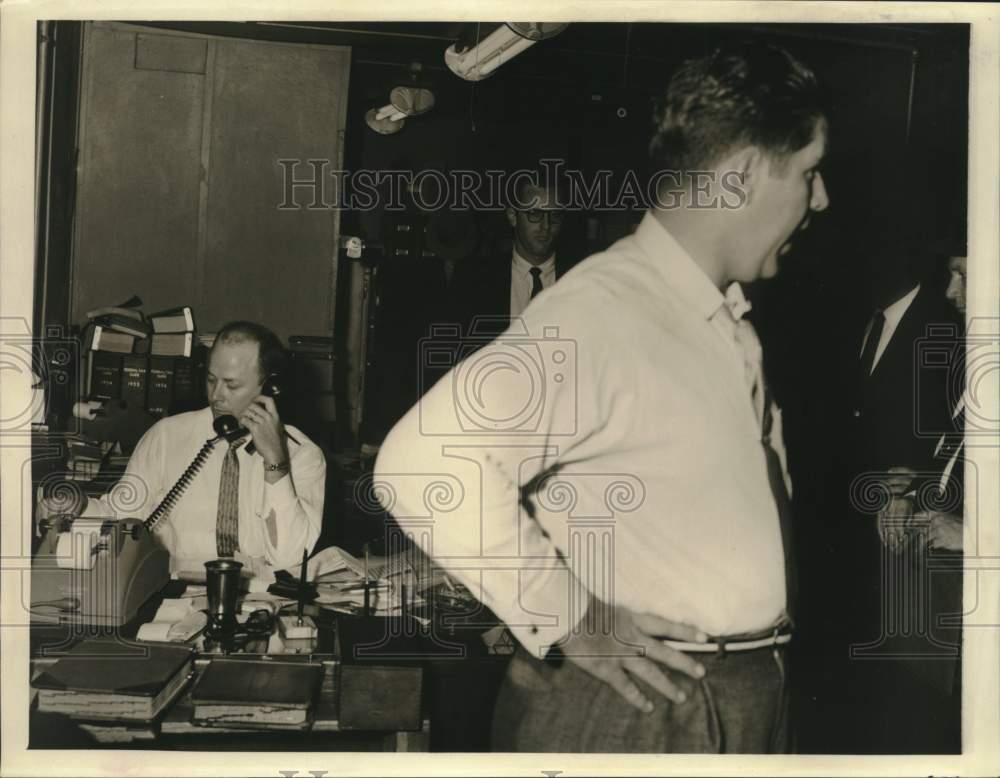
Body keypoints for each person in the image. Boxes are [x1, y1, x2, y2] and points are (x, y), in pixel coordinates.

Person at [375, 42, 829, 752]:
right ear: (740, 177)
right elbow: (425, 463)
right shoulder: (606, 311)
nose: (820, 197)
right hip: (648, 704)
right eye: (807, 171)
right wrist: (569, 617)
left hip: (728, 687)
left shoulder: (714, 315)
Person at [37, 321, 326, 573]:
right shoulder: (166, 436)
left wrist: (275, 462)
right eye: (211, 380)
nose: (216, 396)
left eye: (232, 385)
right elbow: (122, 514)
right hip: (170, 595)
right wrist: (81, 507)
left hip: (260, 602)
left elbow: (290, 557)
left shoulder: (303, 455)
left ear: (269, 388)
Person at [453, 166, 578, 341]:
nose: (546, 226)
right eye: (535, 213)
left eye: (555, 215)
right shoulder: (474, 279)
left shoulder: (581, 280)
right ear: (513, 216)